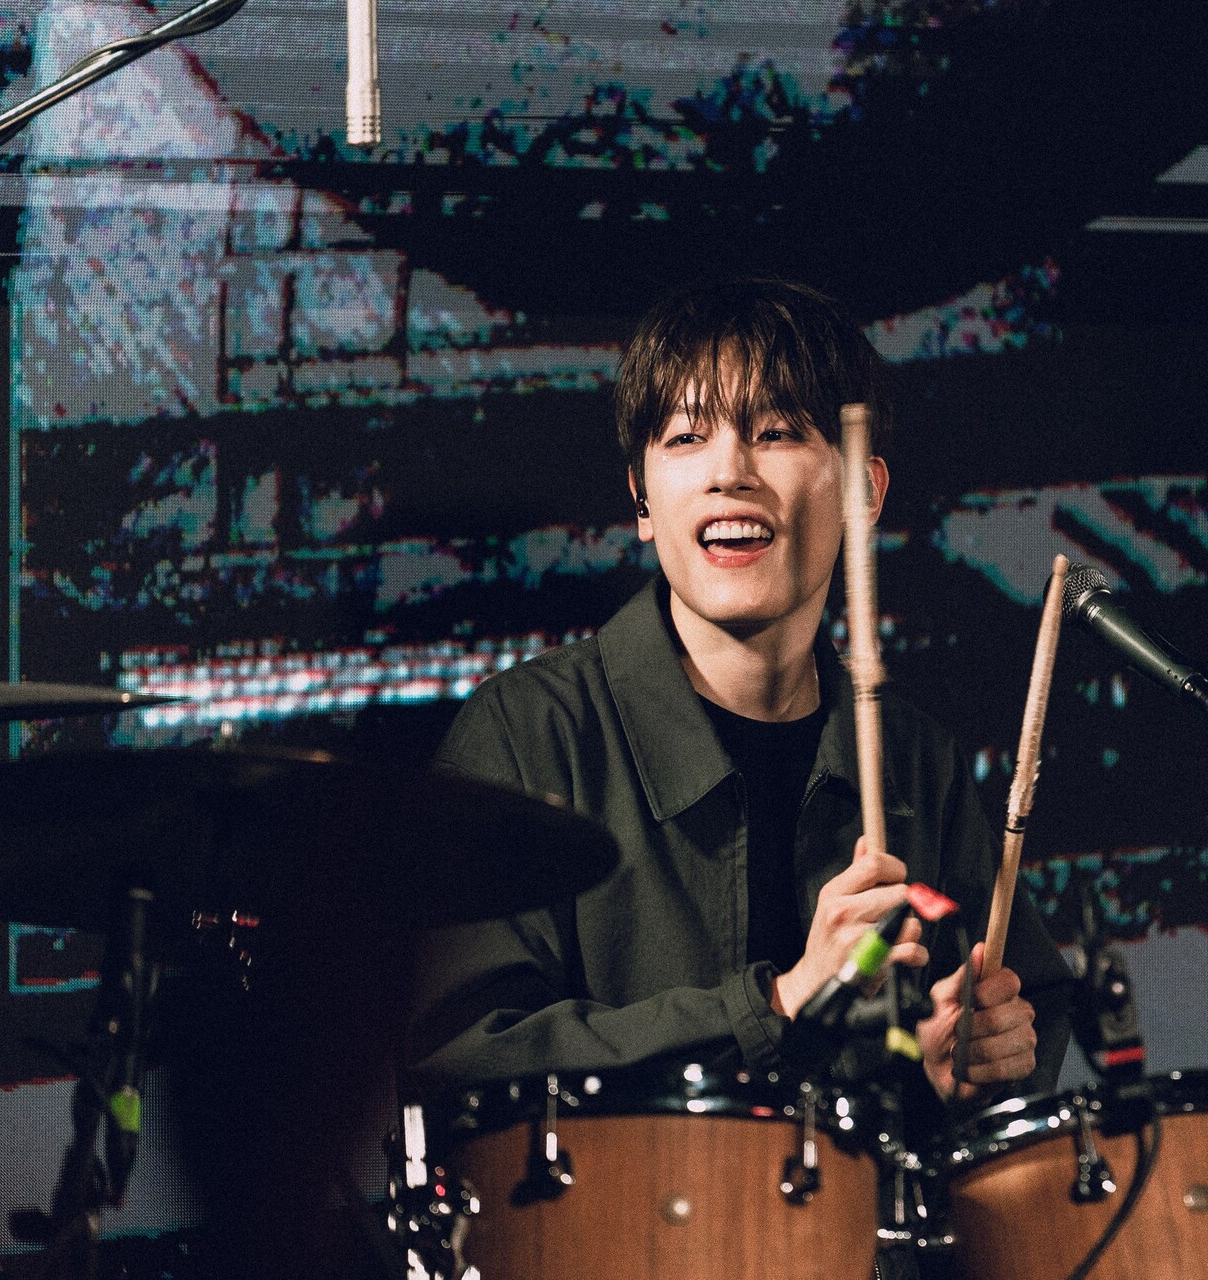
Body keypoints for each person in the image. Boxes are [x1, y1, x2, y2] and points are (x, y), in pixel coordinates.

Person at [411, 277, 1070, 1114]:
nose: (729, 473)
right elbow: (464, 1056)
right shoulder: (530, 735)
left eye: (776, 433)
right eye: (687, 437)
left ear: (864, 492)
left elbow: (967, 1038)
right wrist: (778, 1005)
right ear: (642, 498)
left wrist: (949, 1067)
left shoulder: (913, 763)